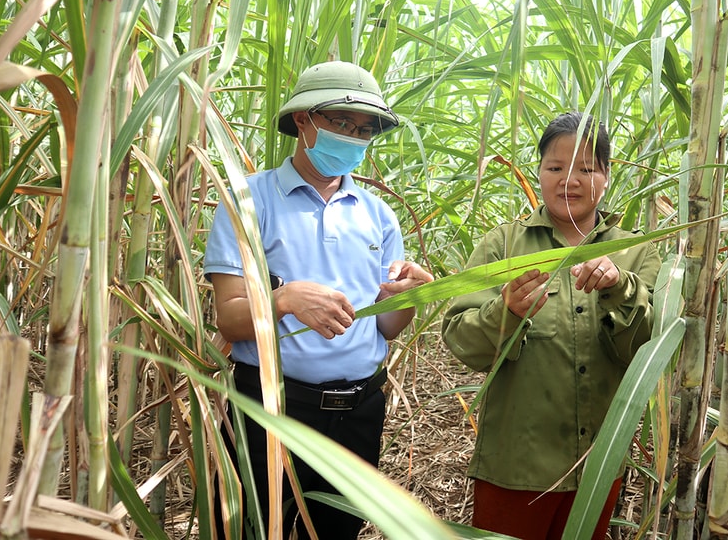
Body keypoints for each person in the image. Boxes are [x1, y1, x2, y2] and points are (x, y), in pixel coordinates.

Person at [204, 60, 433, 540]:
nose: (353, 137)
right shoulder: (250, 200)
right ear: (304, 120)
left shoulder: (378, 215)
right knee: (252, 530)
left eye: (365, 129)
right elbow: (228, 320)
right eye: (341, 122)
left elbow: (387, 325)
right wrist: (283, 298)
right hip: (272, 409)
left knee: (336, 531)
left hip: (358, 413)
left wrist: (410, 297)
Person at [441, 112, 661, 540]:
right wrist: (505, 311)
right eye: (555, 168)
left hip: (598, 464)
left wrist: (619, 287)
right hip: (515, 467)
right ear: (539, 172)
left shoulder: (635, 252)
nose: (569, 180)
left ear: (607, 176)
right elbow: (460, 340)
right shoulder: (503, 245)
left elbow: (646, 349)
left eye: (586, 169)